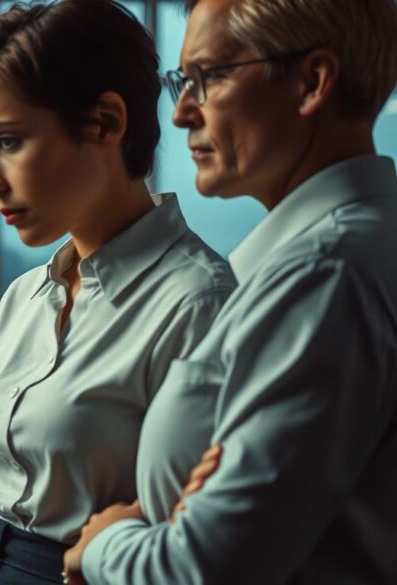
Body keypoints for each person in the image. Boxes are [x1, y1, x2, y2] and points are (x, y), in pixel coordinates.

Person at [63, 0, 397, 582]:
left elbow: (206, 568)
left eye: (208, 78)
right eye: (180, 82)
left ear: (312, 83)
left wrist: (104, 540)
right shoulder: (346, 251)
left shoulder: (324, 274)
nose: (180, 114)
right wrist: (175, 511)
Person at [0, 2, 237, 584]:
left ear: (105, 123)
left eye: (7, 142)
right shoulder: (25, 298)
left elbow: (196, 535)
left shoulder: (198, 305)